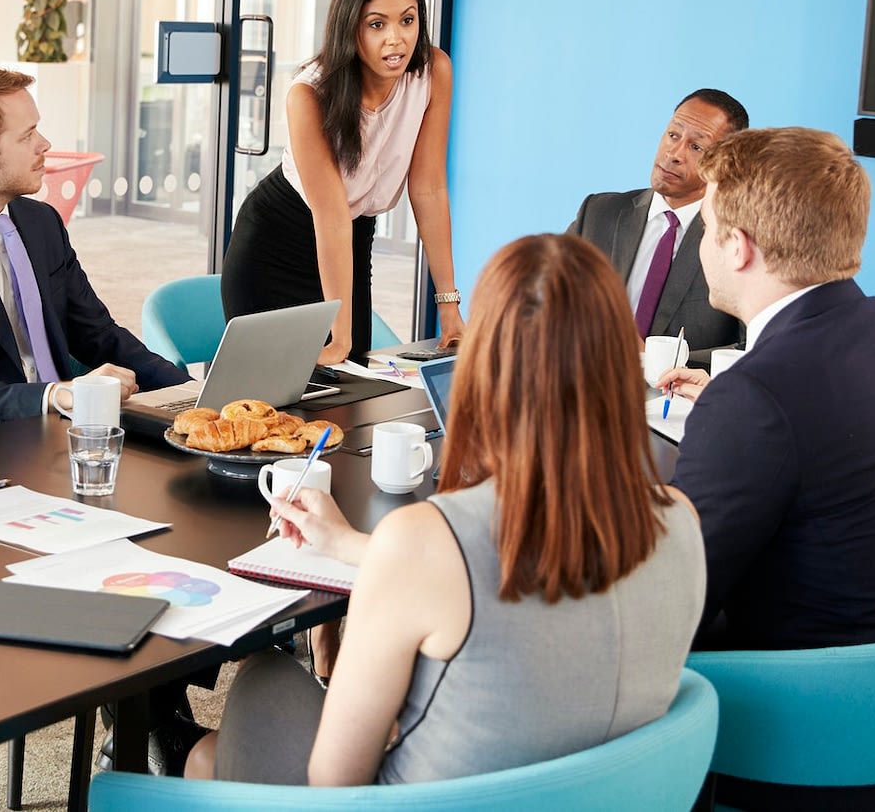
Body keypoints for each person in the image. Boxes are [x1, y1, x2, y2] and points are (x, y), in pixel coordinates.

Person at [188, 233, 706, 786]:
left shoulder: (427, 541)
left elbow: (335, 782)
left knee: (256, 689)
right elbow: (506, 570)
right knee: (213, 753)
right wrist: (347, 545)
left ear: (483, 367)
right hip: (607, 795)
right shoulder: (678, 520)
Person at [657, 128, 875, 811]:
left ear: (738, 246)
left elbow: (673, 613)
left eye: (707, 226)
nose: (702, 244)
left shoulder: (753, 397)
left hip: (820, 754)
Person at [0, 63, 188, 431]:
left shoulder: (41, 223)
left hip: (71, 429)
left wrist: (192, 392)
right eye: (27, 136)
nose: (44, 144)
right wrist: (54, 394)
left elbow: (99, 335)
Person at [222, 0, 464, 365]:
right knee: (284, 403)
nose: (396, 39)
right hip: (276, 246)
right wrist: (341, 338)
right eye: (377, 24)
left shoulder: (432, 71)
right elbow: (330, 215)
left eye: (408, 20)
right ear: (350, 28)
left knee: (350, 399)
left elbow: (428, 188)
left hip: (352, 241)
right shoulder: (309, 94)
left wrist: (448, 305)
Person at [568, 89, 748, 366]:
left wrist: (654, 360)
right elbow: (549, 298)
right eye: (673, 135)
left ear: (724, 164)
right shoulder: (599, 213)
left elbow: (749, 348)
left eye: (696, 147)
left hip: (678, 404)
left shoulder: (738, 241)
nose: (674, 154)